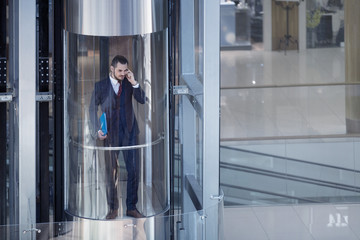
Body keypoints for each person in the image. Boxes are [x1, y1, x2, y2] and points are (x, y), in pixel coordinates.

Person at [89, 55, 146, 219]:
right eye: (119, 70)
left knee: (133, 170)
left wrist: (134, 82)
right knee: (111, 172)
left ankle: (131, 207)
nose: (122, 73)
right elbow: (92, 109)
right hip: (110, 135)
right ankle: (113, 208)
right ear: (112, 69)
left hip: (130, 133)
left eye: (125, 70)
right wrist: (97, 130)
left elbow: (141, 100)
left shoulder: (129, 84)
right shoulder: (100, 86)